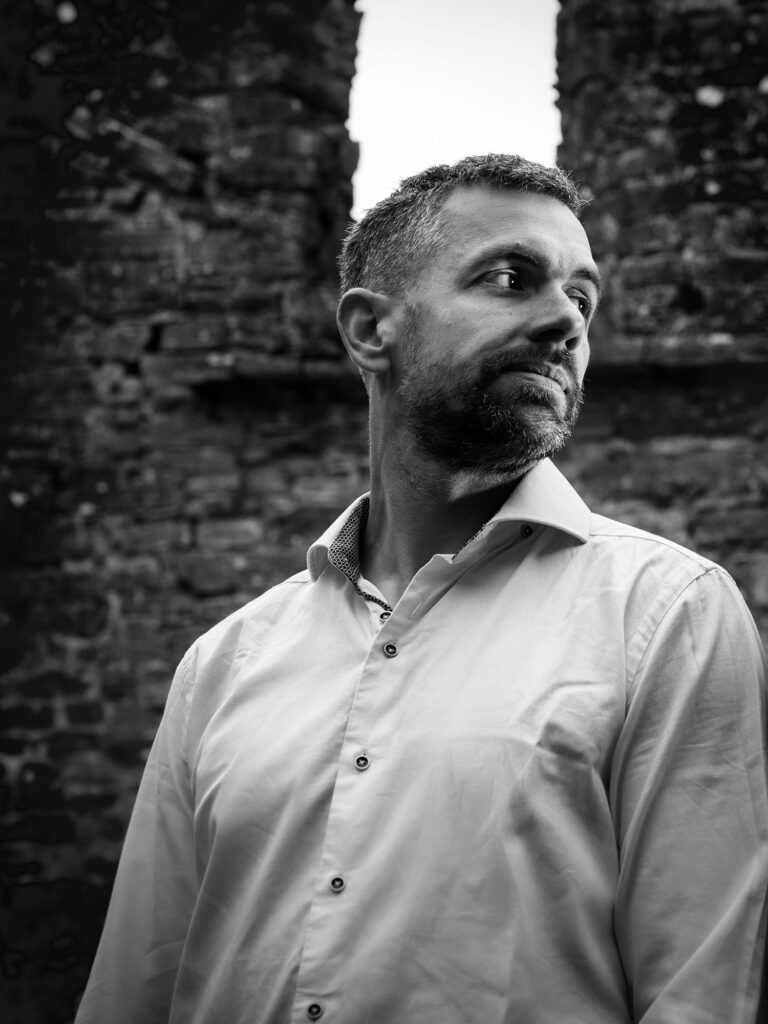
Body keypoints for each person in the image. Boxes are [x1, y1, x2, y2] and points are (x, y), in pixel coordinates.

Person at [76, 154, 768, 1024]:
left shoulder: (670, 615)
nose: (565, 320)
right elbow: (137, 986)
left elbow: (703, 995)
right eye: (512, 278)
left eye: (583, 299)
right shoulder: (222, 664)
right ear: (371, 330)